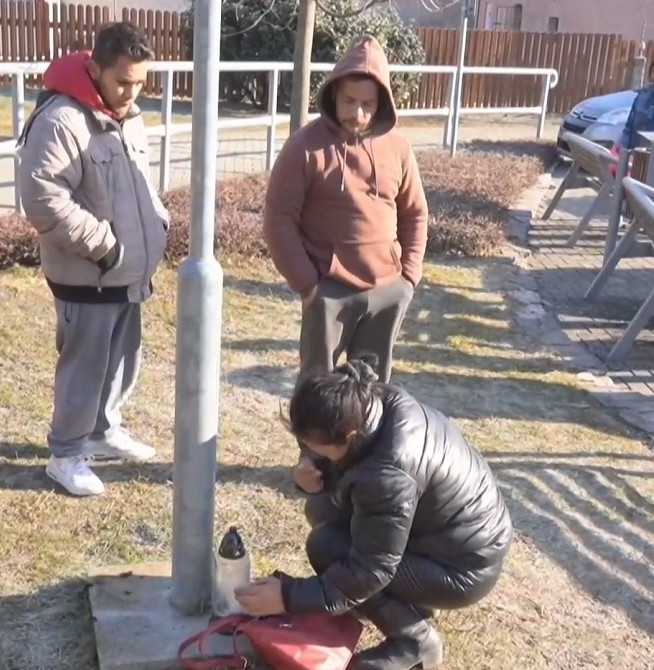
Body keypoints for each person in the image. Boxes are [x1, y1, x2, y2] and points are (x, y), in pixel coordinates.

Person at [235, 359, 513, 670]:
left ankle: (416, 641)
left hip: (461, 567)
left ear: (349, 433)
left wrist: (289, 597)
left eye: (318, 448)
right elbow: (356, 466)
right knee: (321, 507)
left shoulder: (388, 475)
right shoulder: (373, 402)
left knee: (327, 546)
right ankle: (400, 605)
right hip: (450, 534)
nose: (310, 452)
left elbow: (368, 571)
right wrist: (315, 471)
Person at [18, 22, 169, 497]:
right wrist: (106, 247)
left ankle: (103, 430)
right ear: (96, 68)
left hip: (127, 272)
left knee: (122, 358)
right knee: (85, 364)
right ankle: (65, 454)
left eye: (140, 82)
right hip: (90, 272)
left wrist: (156, 226)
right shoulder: (62, 119)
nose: (131, 92)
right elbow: (43, 197)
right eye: (122, 81)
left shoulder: (130, 117)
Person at [263, 36, 428, 386]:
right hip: (327, 291)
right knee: (317, 390)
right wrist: (307, 284)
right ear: (334, 94)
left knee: (371, 393)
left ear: (382, 103)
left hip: (387, 288)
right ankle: (314, 445)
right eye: (350, 101)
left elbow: (415, 212)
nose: (358, 113)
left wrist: (408, 277)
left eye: (368, 103)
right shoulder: (304, 147)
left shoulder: (398, 147)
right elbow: (278, 218)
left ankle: (366, 444)